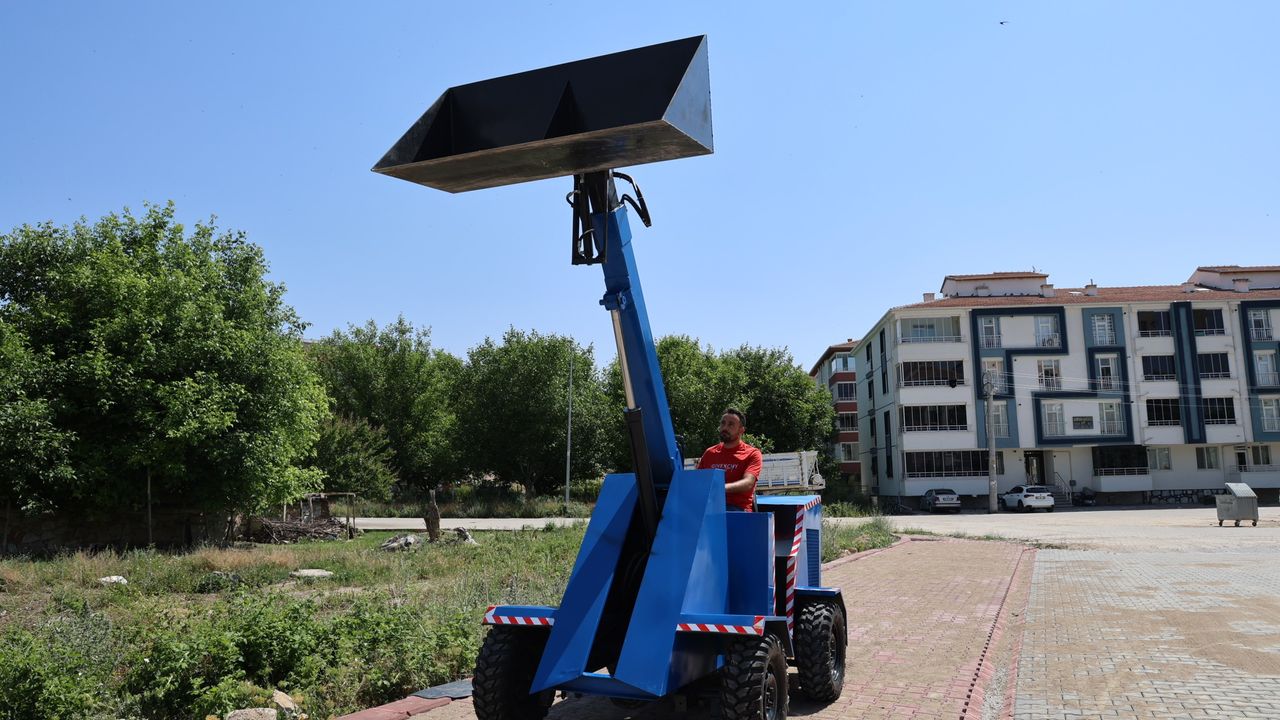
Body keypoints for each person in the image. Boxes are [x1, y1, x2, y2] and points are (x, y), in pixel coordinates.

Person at [696, 407, 763, 512]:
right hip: (710, 507)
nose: (725, 427)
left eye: (731, 424)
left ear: (741, 430)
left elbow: (748, 483)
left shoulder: (752, 453)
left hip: (737, 509)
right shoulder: (710, 452)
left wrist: (720, 488)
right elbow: (698, 481)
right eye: (723, 423)